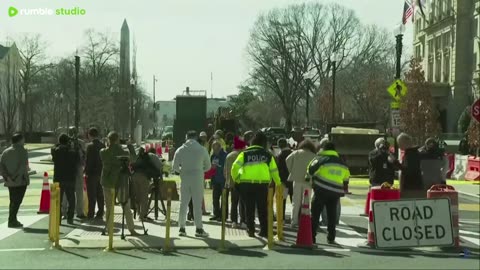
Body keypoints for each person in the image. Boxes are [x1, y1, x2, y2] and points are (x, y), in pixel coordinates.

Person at [231, 131, 281, 238]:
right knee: (262, 209)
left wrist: (237, 179)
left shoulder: (244, 154)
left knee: (249, 208)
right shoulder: (268, 155)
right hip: (262, 185)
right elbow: (274, 170)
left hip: (246, 185)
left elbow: (235, 168)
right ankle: (264, 230)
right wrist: (278, 183)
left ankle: (251, 230)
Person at [308, 142, 350, 244]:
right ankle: (331, 236)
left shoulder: (320, 159)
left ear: (323, 149)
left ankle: (312, 236)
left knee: (315, 213)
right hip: (335, 192)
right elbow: (346, 177)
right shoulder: (342, 162)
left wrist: (310, 180)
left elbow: (310, 170)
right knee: (332, 215)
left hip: (321, 190)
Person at [172, 130, 211, 237]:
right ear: (196, 137)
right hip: (197, 178)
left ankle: (182, 228)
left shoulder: (180, 150)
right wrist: (200, 170)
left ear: (186, 137)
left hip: (185, 178)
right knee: (197, 205)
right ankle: (198, 229)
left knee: (183, 203)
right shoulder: (202, 149)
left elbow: (174, 167)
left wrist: (183, 171)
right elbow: (208, 166)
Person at [100, 131, 139, 236]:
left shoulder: (103, 152)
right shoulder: (123, 152)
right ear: (117, 140)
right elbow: (134, 158)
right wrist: (129, 145)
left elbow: (106, 153)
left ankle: (109, 229)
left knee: (109, 207)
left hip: (107, 182)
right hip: (120, 182)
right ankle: (131, 229)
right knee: (126, 205)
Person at [0, 133, 30, 228]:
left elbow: (2, 167)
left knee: (12, 200)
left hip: (9, 181)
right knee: (17, 201)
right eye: (23, 139)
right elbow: (22, 166)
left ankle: (12, 219)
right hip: (20, 180)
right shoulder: (23, 151)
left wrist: (8, 177)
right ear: (20, 140)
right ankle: (12, 220)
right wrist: (15, 177)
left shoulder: (5, 152)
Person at [286, 139, 317, 228]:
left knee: (296, 201)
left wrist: (292, 171)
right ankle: (304, 221)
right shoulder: (313, 156)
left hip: (296, 180)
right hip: (308, 181)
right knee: (306, 202)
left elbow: (287, 160)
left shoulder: (296, 153)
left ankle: (294, 221)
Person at [52, 134, 79, 225]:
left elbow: (54, 148)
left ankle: (58, 218)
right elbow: (78, 160)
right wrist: (71, 145)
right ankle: (70, 217)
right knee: (71, 198)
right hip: (70, 177)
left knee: (57, 200)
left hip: (58, 178)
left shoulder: (55, 151)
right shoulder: (72, 152)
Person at [132, 147, 163, 222]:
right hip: (143, 177)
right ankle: (142, 216)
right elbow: (160, 166)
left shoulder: (141, 156)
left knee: (137, 195)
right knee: (144, 197)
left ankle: (138, 213)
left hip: (134, 175)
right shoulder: (153, 156)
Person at [224, 136, 247, 228]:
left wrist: (228, 180)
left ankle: (234, 221)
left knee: (234, 202)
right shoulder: (245, 155)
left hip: (232, 182)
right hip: (243, 181)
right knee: (243, 202)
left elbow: (225, 171)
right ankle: (243, 221)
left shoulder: (229, 156)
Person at [393, 133, 424, 199]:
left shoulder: (411, 154)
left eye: (399, 143)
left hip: (411, 187)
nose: (399, 146)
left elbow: (408, 171)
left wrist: (395, 163)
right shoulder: (414, 152)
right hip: (414, 186)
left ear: (404, 142)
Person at [85, 127, 106, 220]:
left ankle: (91, 213)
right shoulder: (102, 145)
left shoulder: (90, 146)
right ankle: (100, 212)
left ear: (90, 135)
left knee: (91, 194)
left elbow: (88, 161)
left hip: (92, 173)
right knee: (100, 194)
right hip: (101, 172)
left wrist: (86, 171)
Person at [68, 127, 87, 218]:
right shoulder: (81, 143)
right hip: (78, 167)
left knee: (68, 190)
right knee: (78, 190)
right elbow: (84, 156)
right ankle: (79, 211)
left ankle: (66, 211)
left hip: (70, 168)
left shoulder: (66, 142)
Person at [209, 141, 228, 221]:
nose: (214, 150)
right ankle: (216, 214)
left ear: (220, 147)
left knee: (224, 199)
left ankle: (223, 215)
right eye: (213, 148)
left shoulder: (225, 155)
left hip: (224, 180)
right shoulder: (213, 156)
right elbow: (211, 168)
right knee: (215, 199)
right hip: (215, 180)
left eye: (216, 148)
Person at [275, 138, 293, 222]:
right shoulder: (292, 153)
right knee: (294, 200)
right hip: (292, 180)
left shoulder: (280, 155)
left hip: (283, 181)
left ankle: (281, 218)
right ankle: (294, 218)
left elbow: (278, 168)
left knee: (282, 200)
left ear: (279, 146)